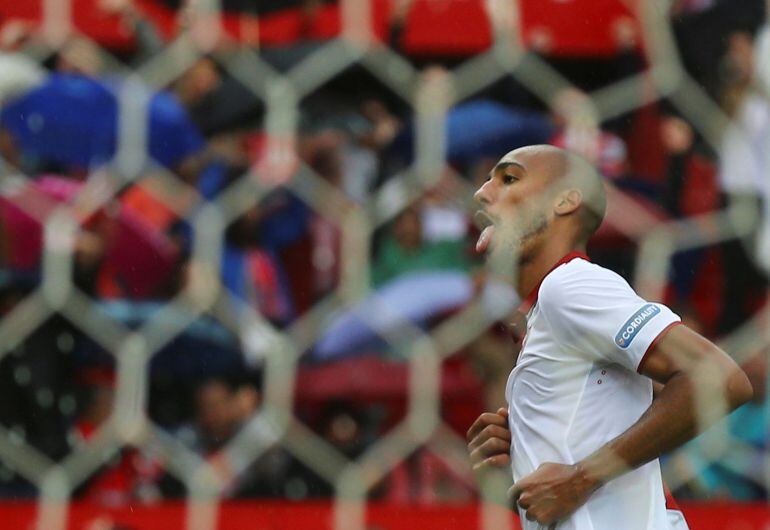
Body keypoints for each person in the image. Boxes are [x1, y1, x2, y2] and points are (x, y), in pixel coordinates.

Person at [465, 144, 753, 529]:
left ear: (565, 200)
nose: (482, 193)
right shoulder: (545, 311)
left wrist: (582, 477)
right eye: (487, 180)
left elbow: (718, 377)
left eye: (509, 178)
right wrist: (521, 442)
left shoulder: (570, 287)